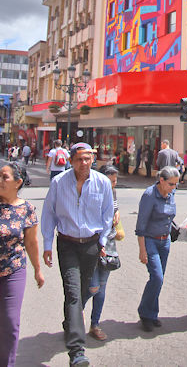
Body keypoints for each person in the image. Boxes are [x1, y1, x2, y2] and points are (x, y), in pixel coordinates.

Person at [41, 142, 114, 366]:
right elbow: (49, 214)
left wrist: (102, 241)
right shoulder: (58, 183)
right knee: (73, 292)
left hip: (91, 245)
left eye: (88, 158)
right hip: (67, 244)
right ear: (71, 160)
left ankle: (69, 323)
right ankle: (76, 350)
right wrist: (46, 244)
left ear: (93, 159)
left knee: (82, 292)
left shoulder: (102, 183)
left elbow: (107, 215)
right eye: (80, 158)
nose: (84, 162)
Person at [0, 162, 44, 366]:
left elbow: (31, 242)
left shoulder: (27, 209)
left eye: (4, 177)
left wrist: (37, 269)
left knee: (9, 322)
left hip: (13, 270)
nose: (0, 180)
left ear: (18, 182)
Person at [136, 166, 179, 332]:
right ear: (161, 180)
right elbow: (141, 225)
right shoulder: (149, 195)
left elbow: (170, 216)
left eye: (176, 184)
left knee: (158, 280)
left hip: (165, 241)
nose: (173, 188)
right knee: (157, 278)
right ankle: (144, 313)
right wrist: (142, 250)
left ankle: (152, 314)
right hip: (150, 240)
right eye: (171, 184)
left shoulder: (171, 194)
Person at [83, 165, 121, 341]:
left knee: (102, 288)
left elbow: (114, 210)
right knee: (93, 286)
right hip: (93, 244)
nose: (113, 184)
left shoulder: (112, 192)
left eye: (115, 181)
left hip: (109, 244)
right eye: (111, 181)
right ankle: (74, 316)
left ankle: (95, 324)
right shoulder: (92, 193)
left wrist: (117, 214)